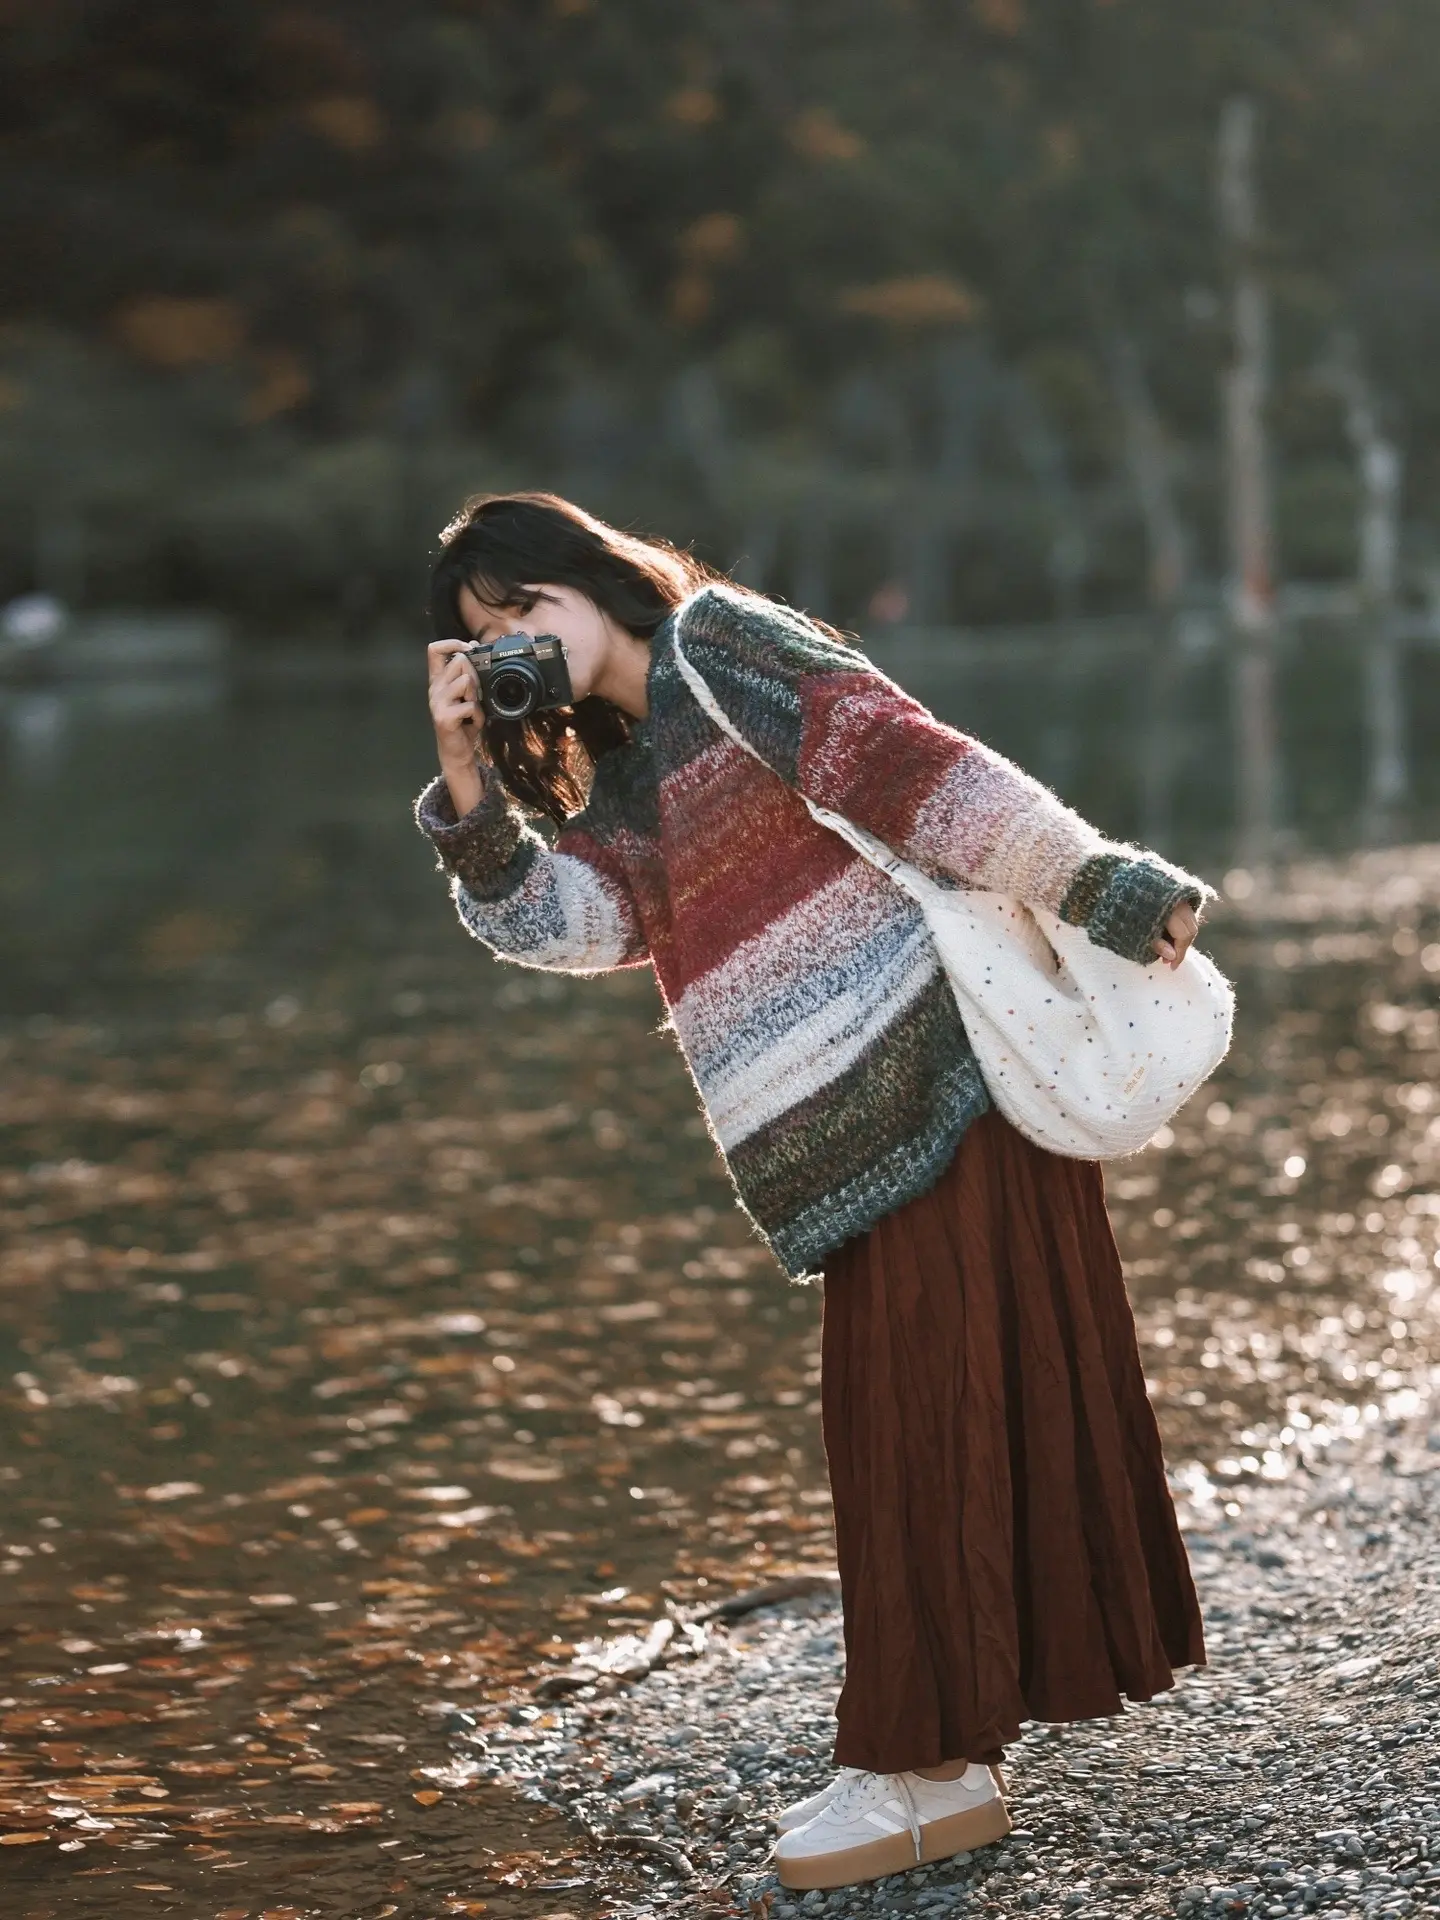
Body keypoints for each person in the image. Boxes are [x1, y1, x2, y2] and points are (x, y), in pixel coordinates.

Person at [414, 490, 1209, 1894]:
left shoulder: (719, 645)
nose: (518, 644)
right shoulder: (631, 764)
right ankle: (942, 1754)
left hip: (939, 1088)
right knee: (923, 1424)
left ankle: (927, 1769)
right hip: (851, 1136)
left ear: (595, 580)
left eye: (526, 610)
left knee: (921, 1427)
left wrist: (1097, 880)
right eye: (488, 641)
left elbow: (917, 768)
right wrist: (469, 783)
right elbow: (571, 922)